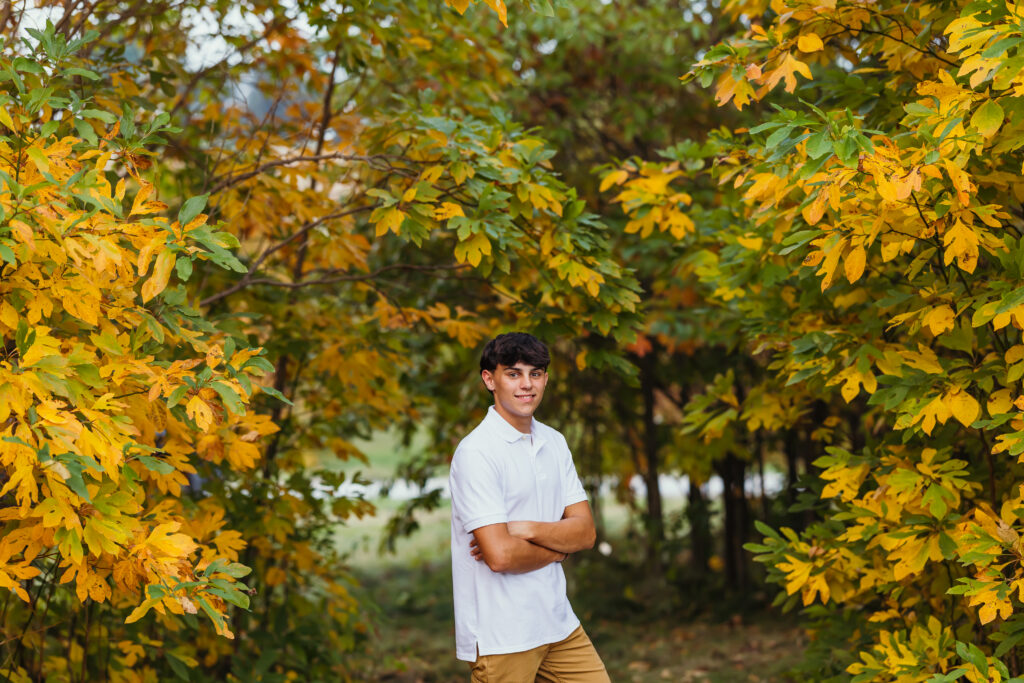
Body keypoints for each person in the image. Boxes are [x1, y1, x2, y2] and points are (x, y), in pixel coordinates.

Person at [448, 332, 610, 682]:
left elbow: (586, 532)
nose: (527, 385)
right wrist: (558, 552)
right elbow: (500, 556)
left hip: (557, 623)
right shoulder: (477, 452)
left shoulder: (554, 441)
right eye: (513, 373)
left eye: (535, 374)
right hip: (501, 634)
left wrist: (527, 528)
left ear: (546, 379)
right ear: (489, 379)